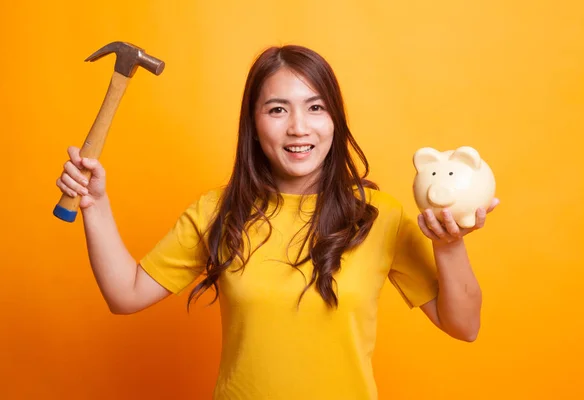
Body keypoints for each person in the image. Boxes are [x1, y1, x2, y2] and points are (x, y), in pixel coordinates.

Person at [56, 44, 499, 399]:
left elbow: (465, 326)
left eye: (316, 108)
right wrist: (95, 205)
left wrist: (450, 244)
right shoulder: (218, 211)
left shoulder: (379, 215)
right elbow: (125, 294)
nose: (299, 128)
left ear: (335, 120)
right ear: (253, 123)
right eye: (277, 110)